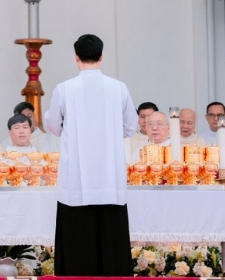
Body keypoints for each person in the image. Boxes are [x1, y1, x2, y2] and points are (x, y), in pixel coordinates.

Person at [44, 34, 138, 276]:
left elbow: (53, 126)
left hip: (76, 180)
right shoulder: (119, 88)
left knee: (78, 242)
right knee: (111, 242)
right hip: (110, 179)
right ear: (101, 56)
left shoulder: (64, 89)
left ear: (76, 57)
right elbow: (130, 126)